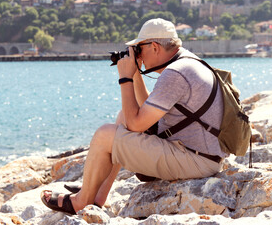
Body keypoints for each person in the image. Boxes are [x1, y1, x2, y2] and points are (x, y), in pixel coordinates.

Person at [40, 18, 227, 214]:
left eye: (139, 48)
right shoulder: (187, 62)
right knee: (123, 117)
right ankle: (97, 194)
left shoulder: (175, 74)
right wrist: (137, 73)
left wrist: (126, 78)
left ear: (154, 47)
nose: (138, 53)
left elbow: (136, 124)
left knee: (105, 135)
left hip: (196, 162)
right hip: (200, 154)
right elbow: (146, 111)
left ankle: (81, 201)